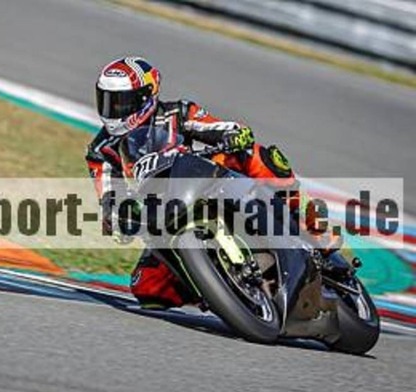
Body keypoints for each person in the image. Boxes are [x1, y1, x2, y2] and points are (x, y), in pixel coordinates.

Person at [86, 56, 297, 310]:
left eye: (120, 102)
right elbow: (108, 194)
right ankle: (217, 291)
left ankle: (307, 221)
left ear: (146, 96)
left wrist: (233, 133)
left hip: (201, 182)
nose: (113, 110)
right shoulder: (101, 149)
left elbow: (220, 127)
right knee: (147, 287)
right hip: (159, 213)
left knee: (253, 154)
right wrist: (115, 214)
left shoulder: (177, 113)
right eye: (107, 101)